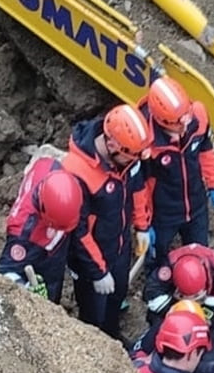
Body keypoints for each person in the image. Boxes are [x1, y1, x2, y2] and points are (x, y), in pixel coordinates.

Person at [62, 103, 151, 341]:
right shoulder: (77, 173)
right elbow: (78, 232)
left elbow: (137, 187)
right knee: (93, 315)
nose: (133, 161)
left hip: (119, 248)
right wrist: (98, 272)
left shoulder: (127, 156)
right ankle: (95, 348)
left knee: (116, 297)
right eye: (130, 157)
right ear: (111, 144)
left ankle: (113, 334)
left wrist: (142, 225)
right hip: (91, 261)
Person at [134, 75, 214, 273]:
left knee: (200, 256)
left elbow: (205, 150)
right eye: (177, 126)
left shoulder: (198, 116)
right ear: (161, 121)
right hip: (163, 213)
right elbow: (140, 187)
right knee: (158, 262)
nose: (184, 129)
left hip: (196, 204)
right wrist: (143, 224)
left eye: (186, 121)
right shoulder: (146, 143)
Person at [0, 151, 84, 302]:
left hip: (52, 250)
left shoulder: (56, 173)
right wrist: (27, 290)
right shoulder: (22, 233)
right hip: (38, 252)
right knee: (48, 285)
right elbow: (4, 273)